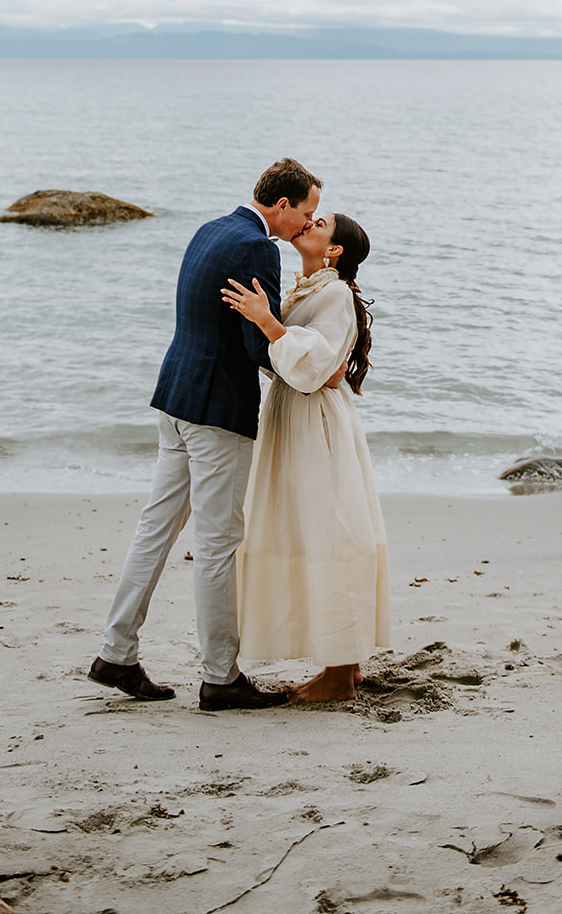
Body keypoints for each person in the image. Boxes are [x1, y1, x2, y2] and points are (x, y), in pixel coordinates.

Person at [89, 157, 322, 710]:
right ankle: (221, 677)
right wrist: (310, 363)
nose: (306, 226)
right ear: (282, 205)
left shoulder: (211, 229)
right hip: (217, 410)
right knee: (218, 545)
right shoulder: (257, 247)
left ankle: (115, 652)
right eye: (305, 213)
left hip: (175, 395)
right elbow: (252, 342)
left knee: (156, 528)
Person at [221, 210, 389, 703]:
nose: (310, 222)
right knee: (317, 530)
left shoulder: (334, 292)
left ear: (334, 250)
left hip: (315, 423)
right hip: (295, 413)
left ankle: (339, 675)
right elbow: (313, 362)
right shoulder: (311, 287)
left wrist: (267, 321)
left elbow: (316, 364)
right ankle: (346, 663)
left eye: (322, 223)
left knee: (329, 532)